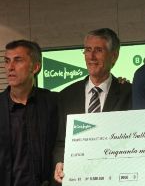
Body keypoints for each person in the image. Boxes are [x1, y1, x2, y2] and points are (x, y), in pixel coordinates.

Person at [53, 28, 132, 184]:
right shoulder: (66, 96)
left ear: (114, 56)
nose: (91, 56)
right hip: (79, 179)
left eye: (98, 50)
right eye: (87, 50)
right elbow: (61, 141)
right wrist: (59, 162)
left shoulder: (129, 94)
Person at [0, 40, 58, 186]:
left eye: (18, 60)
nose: (10, 68)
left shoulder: (54, 102)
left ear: (36, 67)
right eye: (7, 61)